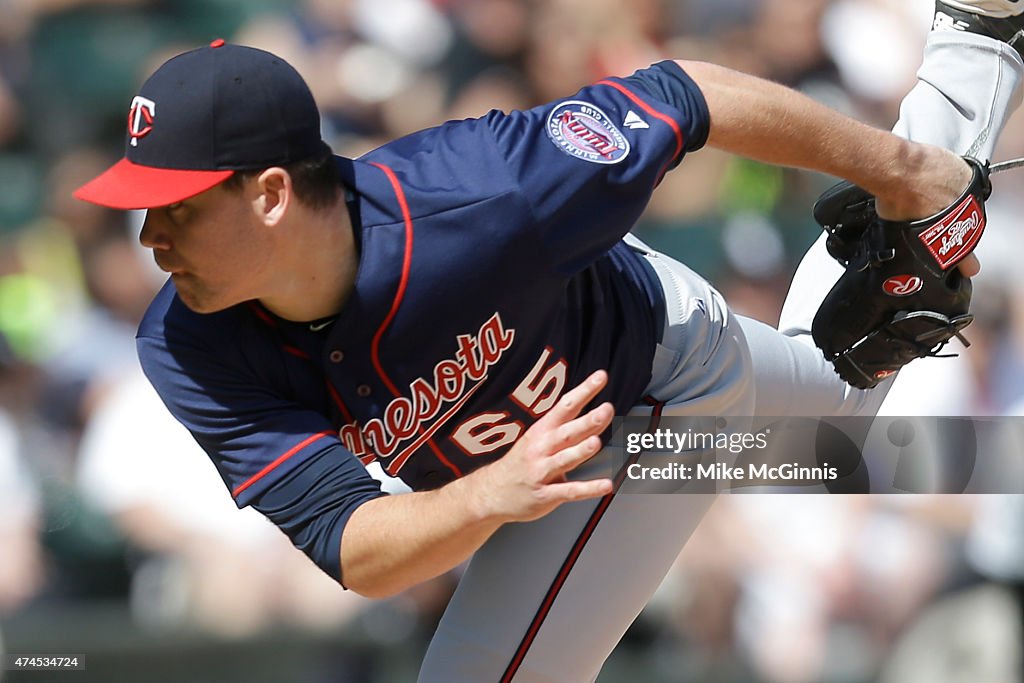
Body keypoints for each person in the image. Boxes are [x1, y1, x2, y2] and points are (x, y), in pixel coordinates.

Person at [72, 2, 1024, 679]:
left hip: (660, 375)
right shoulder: (186, 342)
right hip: (541, 461)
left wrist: (897, 170)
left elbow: (684, 95)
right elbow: (353, 548)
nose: (150, 238)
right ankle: (978, 42)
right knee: (844, 396)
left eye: (176, 211)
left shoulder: (482, 193)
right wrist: (490, 496)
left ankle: (961, 79)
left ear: (271, 194)